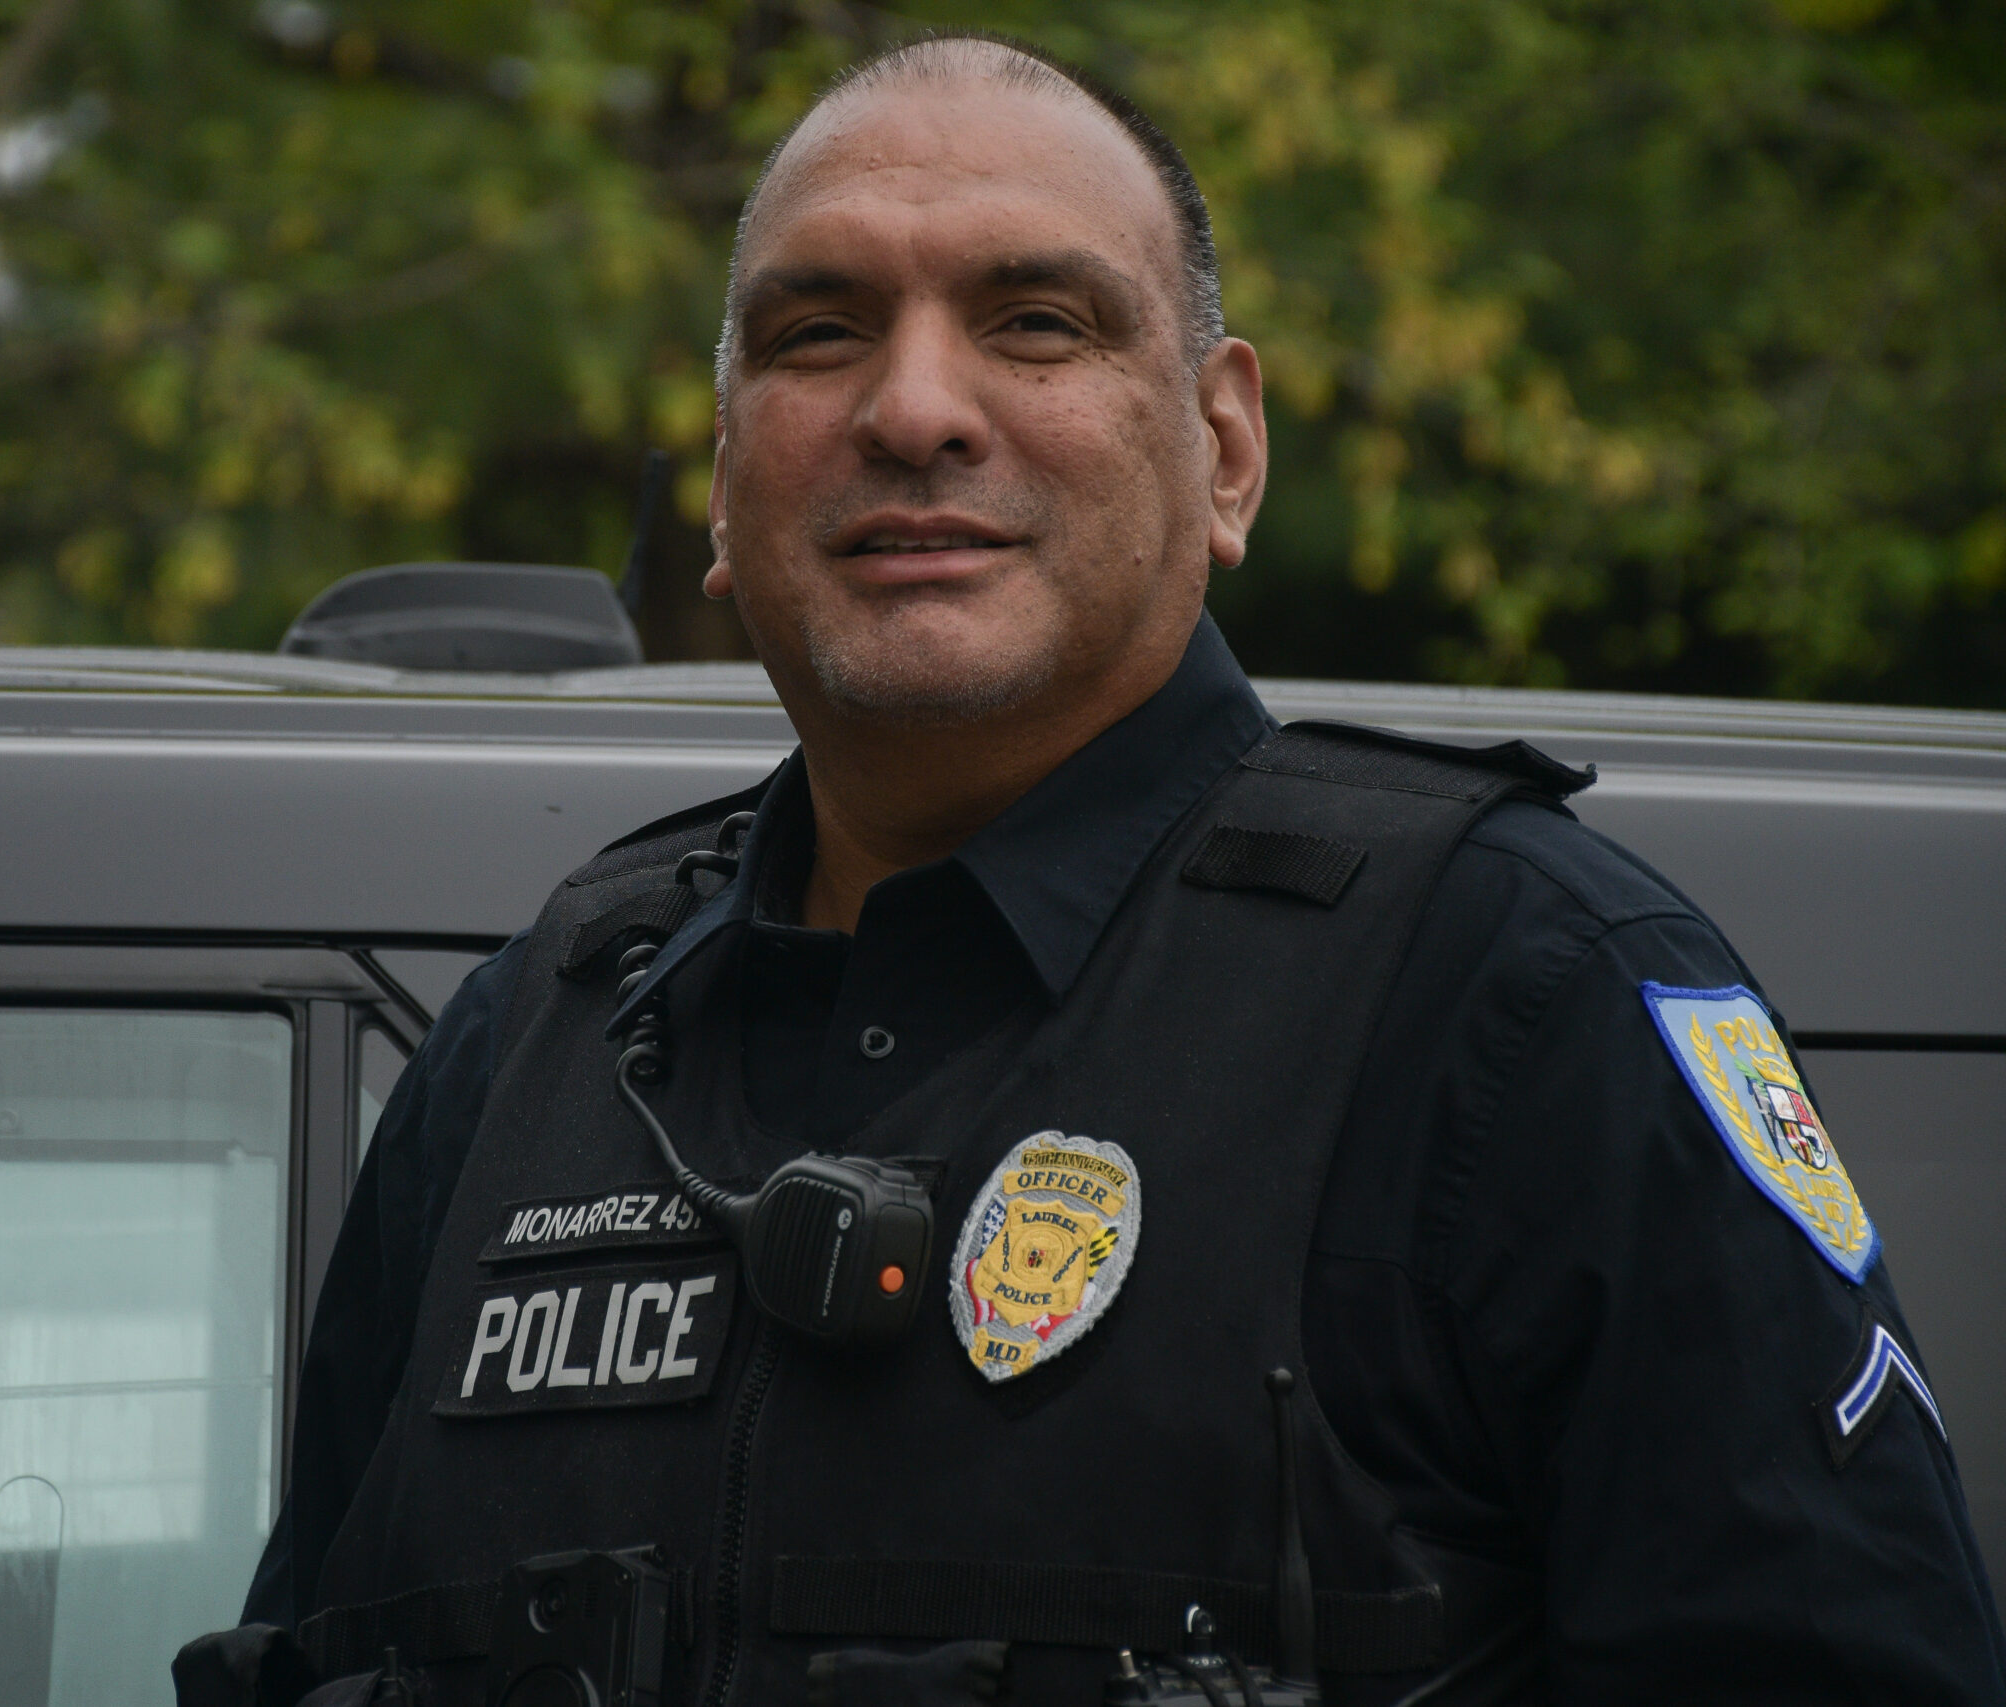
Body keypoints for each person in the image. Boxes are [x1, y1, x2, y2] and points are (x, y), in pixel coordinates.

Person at [179, 32, 2005, 1707]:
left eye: (1036, 323)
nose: (913, 408)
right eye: (817, 334)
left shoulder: (1521, 999)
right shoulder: (531, 1048)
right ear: (726, 481)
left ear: (1223, 448)